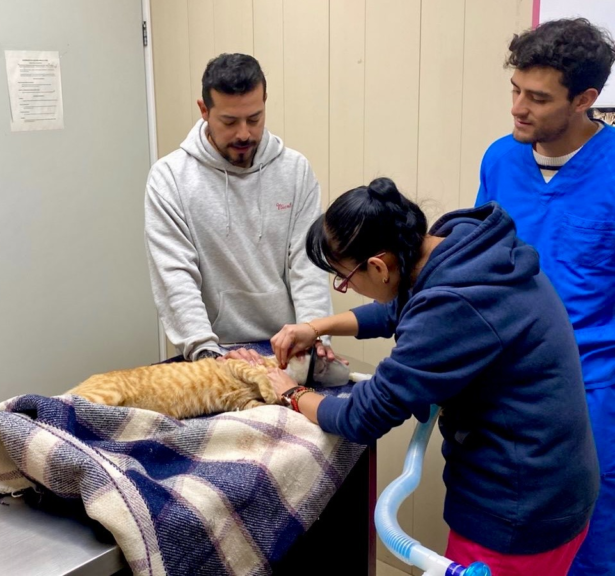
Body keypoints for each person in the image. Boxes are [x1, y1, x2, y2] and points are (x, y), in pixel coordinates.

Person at [266, 177, 598, 576]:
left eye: (345, 279)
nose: (347, 288)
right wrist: (317, 327)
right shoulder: (460, 245)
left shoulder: (455, 302)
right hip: (554, 482)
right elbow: (400, 308)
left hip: (519, 510)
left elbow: (362, 417)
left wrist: (291, 392)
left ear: (377, 266)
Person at [475, 18, 615, 575]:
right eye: (515, 90)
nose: (518, 108)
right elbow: (479, 269)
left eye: (537, 98)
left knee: (588, 550)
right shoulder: (499, 160)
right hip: (506, 395)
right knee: (504, 546)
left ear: (586, 99)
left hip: (594, 395)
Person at [145, 53, 333, 362]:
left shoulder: (295, 170)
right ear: (204, 110)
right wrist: (206, 353)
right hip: (215, 348)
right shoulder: (170, 178)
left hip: (286, 344)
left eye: (254, 118)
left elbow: (308, 263)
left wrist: (314, 332)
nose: (244, 133)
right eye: (230, 122)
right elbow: (175, 277)